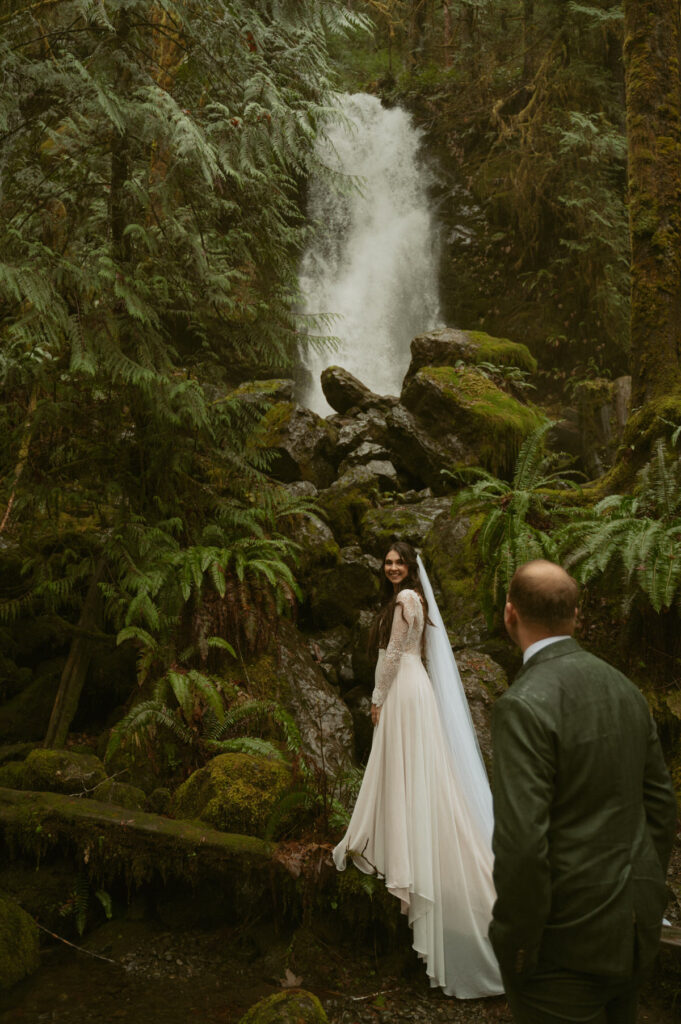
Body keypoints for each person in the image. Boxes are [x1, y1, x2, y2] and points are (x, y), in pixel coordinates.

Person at [491, 559, 678, 1024]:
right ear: (576, 614)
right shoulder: (624, 689)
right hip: (634, 929)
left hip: (563, 947)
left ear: (510, 614)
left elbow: (523, 846)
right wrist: (640, 895)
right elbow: (660, 806)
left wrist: (515, 942)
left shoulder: (522, 706)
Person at [333, 541, 503, 998]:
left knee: (412, 766)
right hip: (412, 686)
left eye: (398, 562)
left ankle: (416, 849)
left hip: (405, 689)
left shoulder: (408, 599)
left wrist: (376, 698)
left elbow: (391, 655)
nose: (391, 568)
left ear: (411, 568)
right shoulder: (406, 600)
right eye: (387, 562)